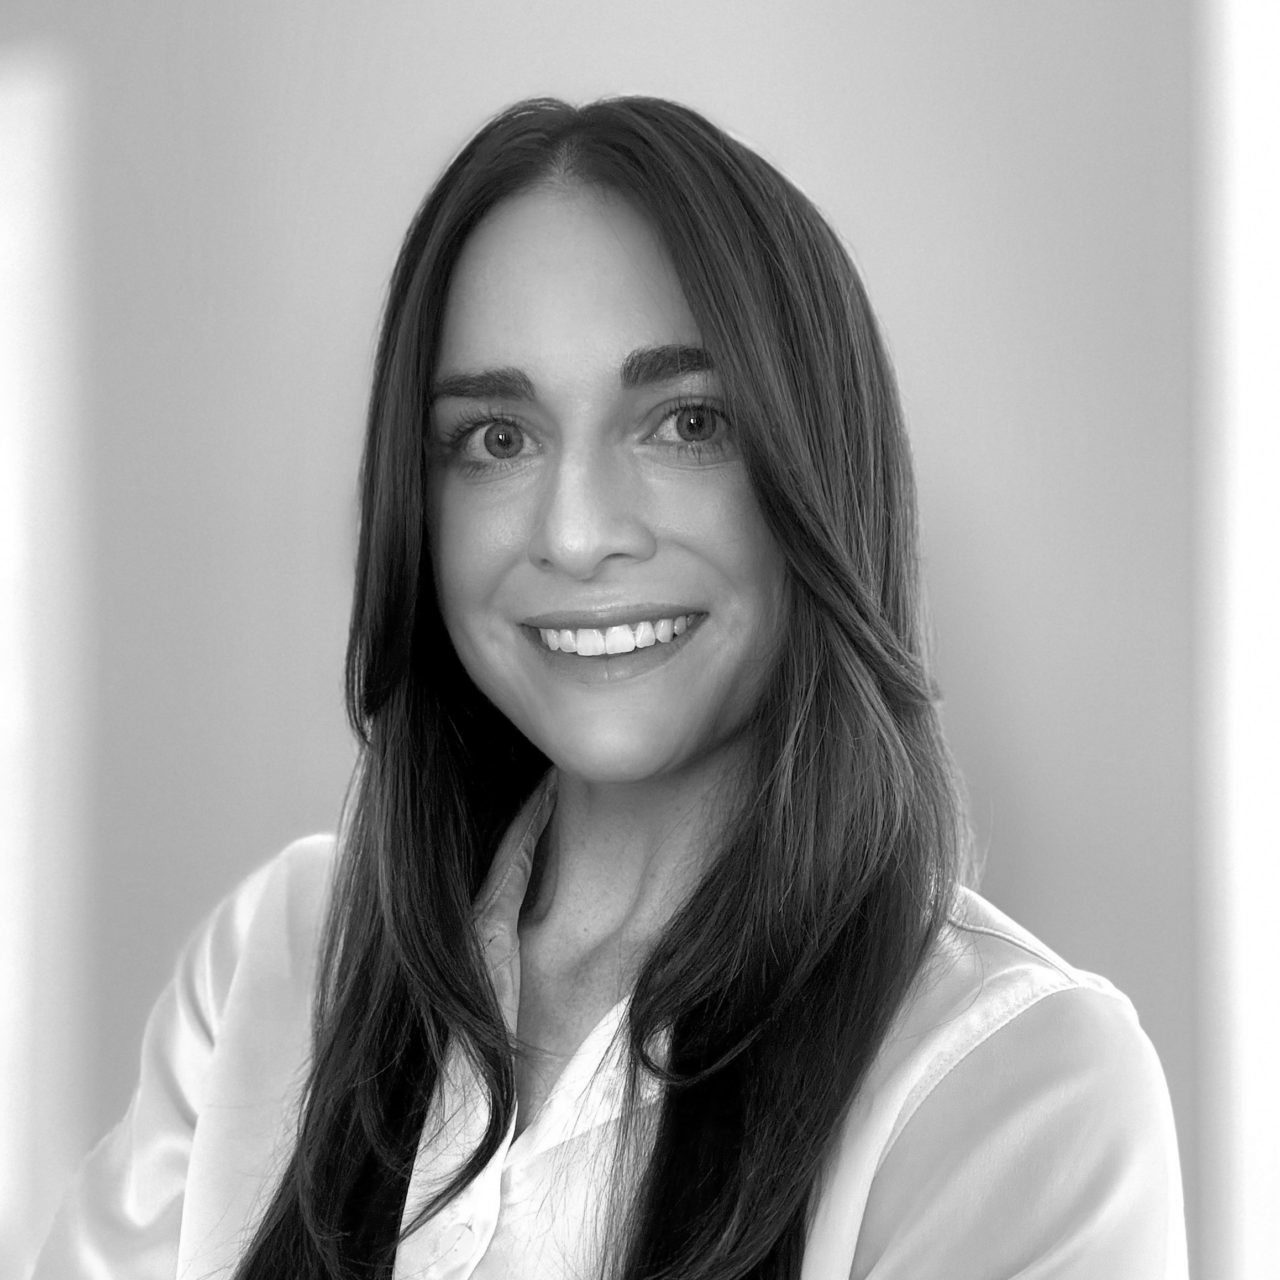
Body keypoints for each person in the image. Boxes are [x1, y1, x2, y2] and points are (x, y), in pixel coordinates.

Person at [34, 97, 1187, 1280]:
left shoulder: (1012, 1082)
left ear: (817, 468)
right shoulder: (275, 961)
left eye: (685, 421)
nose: (576, 534)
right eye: (494, 437)